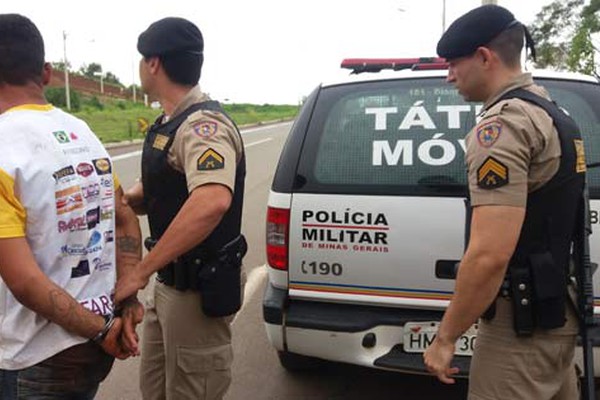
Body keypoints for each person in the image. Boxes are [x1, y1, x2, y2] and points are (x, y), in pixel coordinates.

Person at [423, 5, 585, 400]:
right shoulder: (551, 110)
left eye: (453, 64)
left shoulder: (503, 128)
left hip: (520, 328)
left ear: (484, 57)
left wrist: (445, 338)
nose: (449, 76)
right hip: (556, 310)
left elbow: (490, 254)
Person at [0, 13, 144, 399]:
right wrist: (126, 299)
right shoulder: (83, 134)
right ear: (46, 73)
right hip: (91, 345)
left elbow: (25, 281)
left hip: (34, 358)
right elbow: (126, 219)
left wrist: (100, 329)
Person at [114, 17, 247, 400]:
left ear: (153, 63)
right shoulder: (170, 124)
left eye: (141, 60)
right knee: (155, 390)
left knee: (193, 391)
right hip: (168, 285)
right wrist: (122, 202)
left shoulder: (203, 126)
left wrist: (139, 272)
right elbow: (164, 188)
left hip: (196, 292)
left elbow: (211, 200)